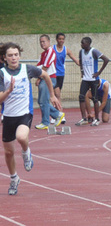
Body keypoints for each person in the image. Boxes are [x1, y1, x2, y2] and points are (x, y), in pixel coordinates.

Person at [0, 42, 61, 195]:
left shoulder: (27, 69)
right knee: (8, 152)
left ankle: (26, 152)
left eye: (16, 55)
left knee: (21, 137)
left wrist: (52, 95)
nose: (14, 58)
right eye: (10, 55)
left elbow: (46, 75)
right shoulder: (2, 73)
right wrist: (9, 91)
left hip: (24, 113)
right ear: (4, 58)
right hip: (8, 116)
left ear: (19, 56)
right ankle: (14, 178)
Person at [76, 37, 109, 127]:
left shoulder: (94, 51)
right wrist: (82, 71)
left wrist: (99, 72)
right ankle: (84, 118)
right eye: (81, 43)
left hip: (93, 79)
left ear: (88, 44)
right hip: (85, 79)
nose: (81, 44)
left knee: (95, 98)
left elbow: (106, 60)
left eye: (83, 43)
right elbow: (81, 61)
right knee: (81, 97)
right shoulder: (81, 52)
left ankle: (97, 119)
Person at [35, 34, 65, 129]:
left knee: (43, 101)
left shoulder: (50, 51)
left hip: (49, 78)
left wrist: (39, 77)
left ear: (49, 42)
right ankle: (57, 115)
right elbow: (38, 66)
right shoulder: (43, 54)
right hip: (44, 78)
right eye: (40, 42)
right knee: (41, 101)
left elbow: (45, 66)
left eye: (44, 41)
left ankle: (45, 122)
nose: (42, 43)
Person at [52, 33, 80, 124]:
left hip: (61, 74)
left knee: (56, 95)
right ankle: (59, 114)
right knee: (57, 94)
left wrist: (83, 64)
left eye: (63, 39)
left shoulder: (66, 50)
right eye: (59, 39)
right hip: (52, 74)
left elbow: (75, 60)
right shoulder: (52, 49)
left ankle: (56, 115)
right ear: (56, 39)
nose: (61, 40)